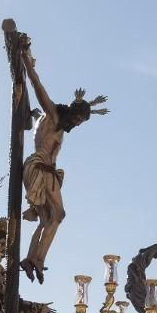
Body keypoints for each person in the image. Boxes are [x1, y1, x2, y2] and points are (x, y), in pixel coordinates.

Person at [17, 34, 109, 281]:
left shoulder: (58, 124)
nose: (78, 124)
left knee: (49, 218)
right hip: (40, 168)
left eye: (82, 122)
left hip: (44, 171)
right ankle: (36, 259)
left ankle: (32, 259)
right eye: (79, 119)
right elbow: (38, 87)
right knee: (58, 215)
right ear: (73, 112)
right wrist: (25, 59)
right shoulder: (54, 116)